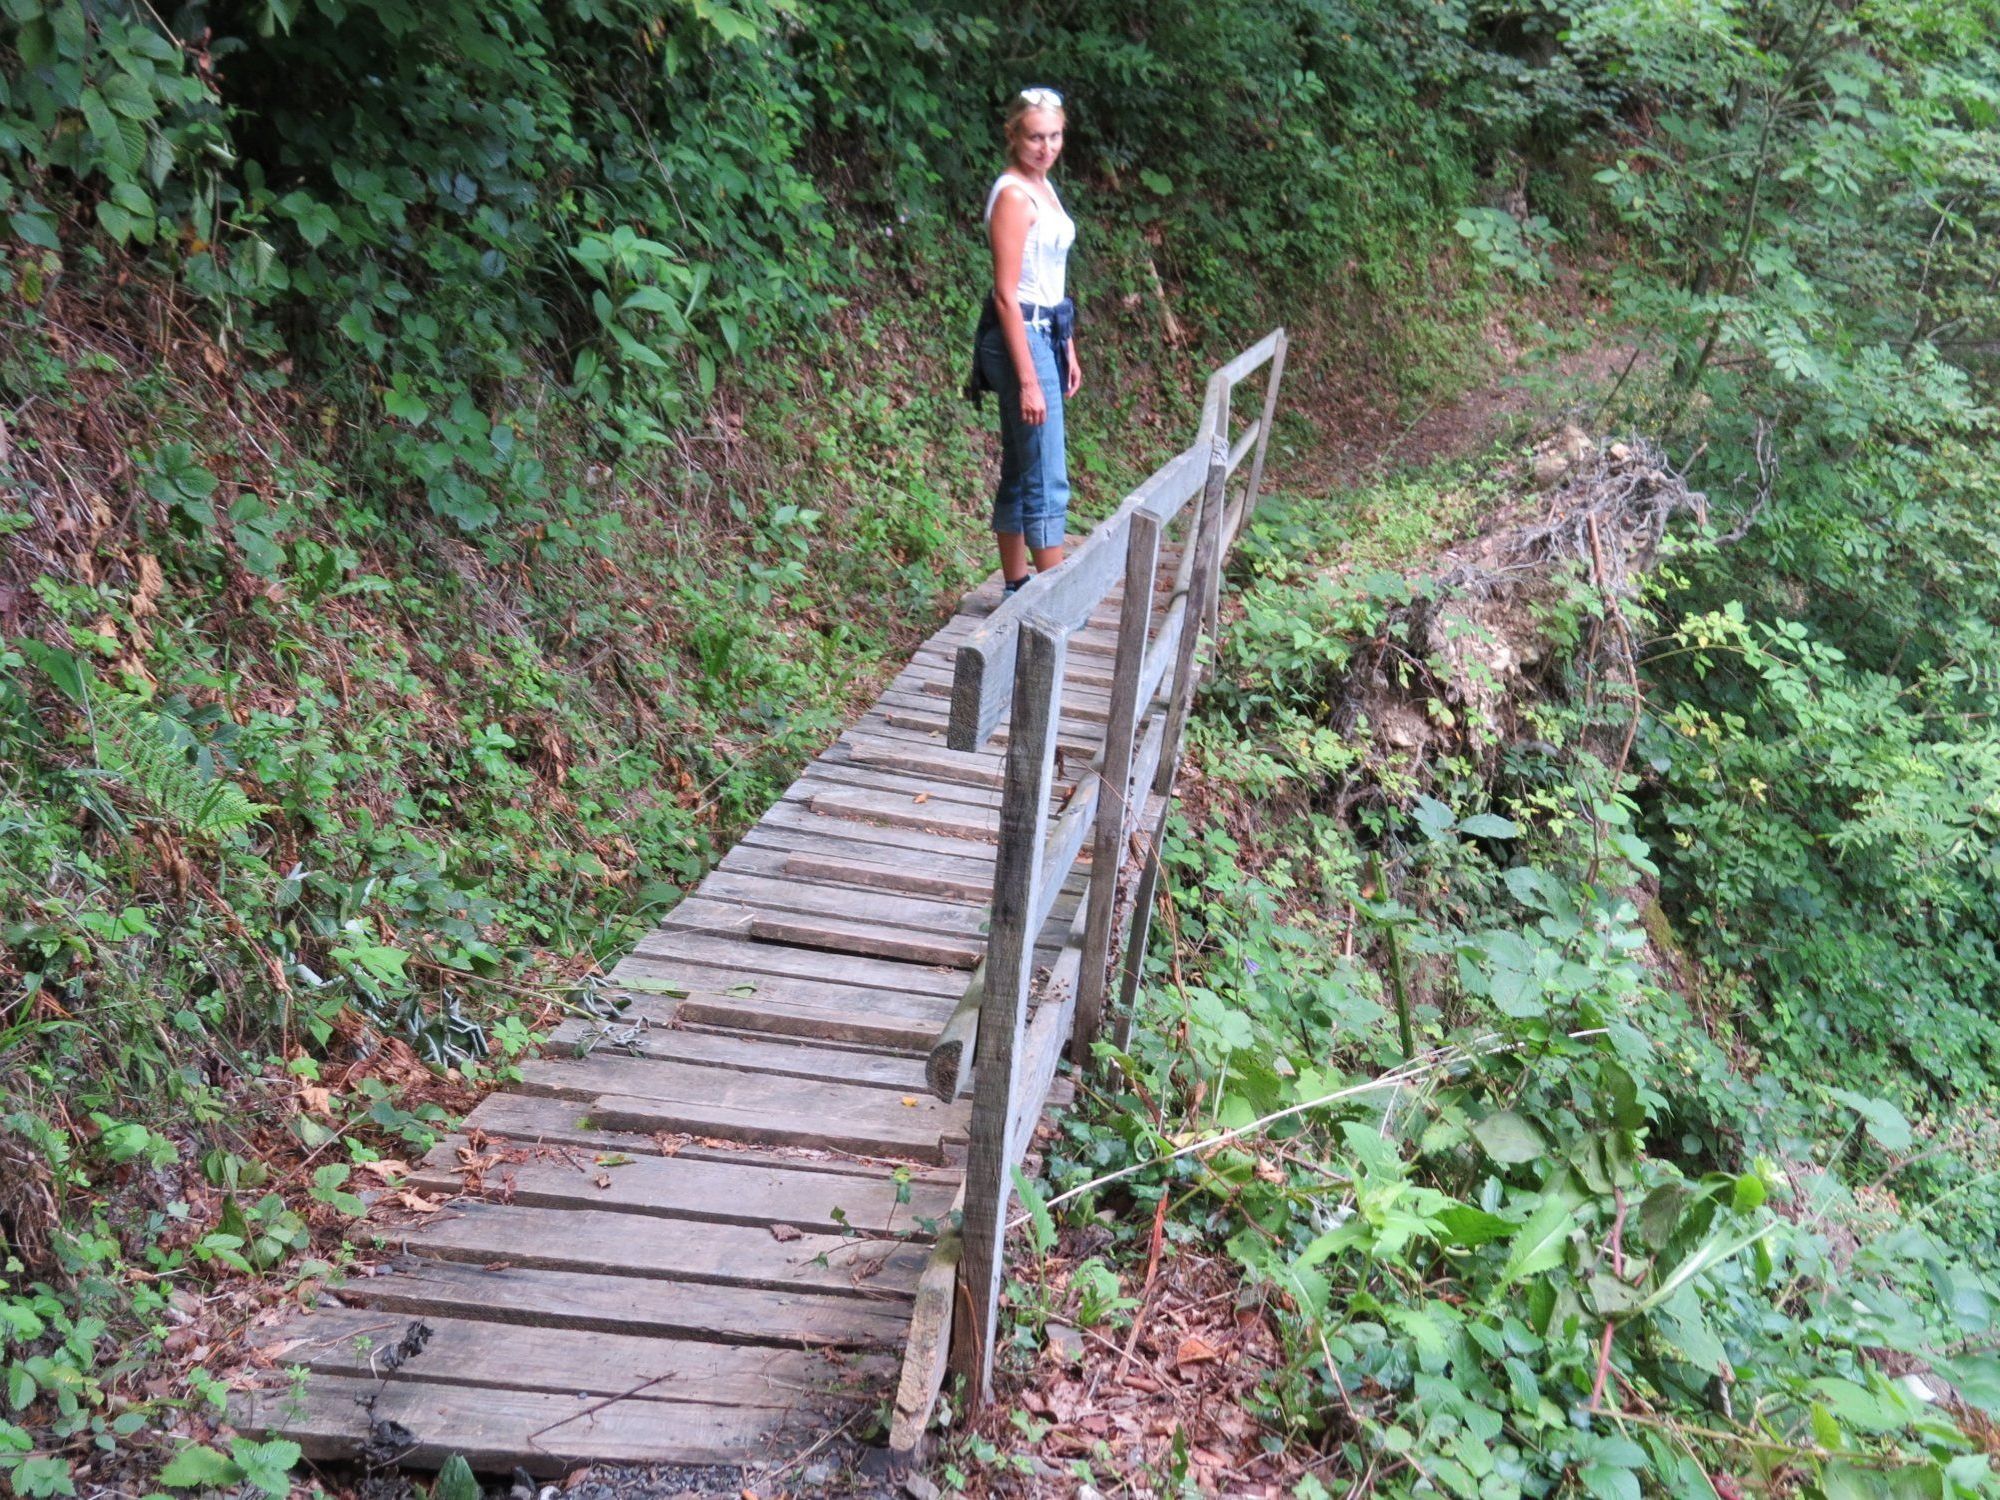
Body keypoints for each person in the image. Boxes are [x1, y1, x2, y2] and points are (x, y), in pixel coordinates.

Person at [968, 86, 1080, 595]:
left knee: (1022, 465)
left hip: (1045, 332)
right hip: (1019, 335)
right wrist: (1031, 380)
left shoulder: (1044, 187)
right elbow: (1007, 296)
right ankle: (1051, 600)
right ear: (1014, 135)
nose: (1046, 146)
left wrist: (1068, 347)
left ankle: (1017, 588)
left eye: (1054, 135)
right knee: (1046, 473)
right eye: (1035, 136)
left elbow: (1051, 279)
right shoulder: (1013, 195)